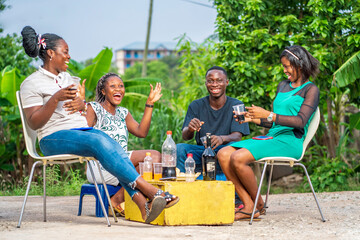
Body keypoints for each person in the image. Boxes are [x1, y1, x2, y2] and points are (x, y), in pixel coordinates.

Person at [19, 26, 178, 224]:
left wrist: (81, 105)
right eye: (65, 52)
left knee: (111, 144)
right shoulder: (31, 83)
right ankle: (151, 192)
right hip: (53, 138)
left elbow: (76, 110)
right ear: (51, 53)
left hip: (80, 132)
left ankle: (142, 204)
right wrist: (55, 98)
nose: (69, 56)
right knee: (98, 140)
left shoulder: (67, 79)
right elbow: (34, 122)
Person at [217, 45, 320, 221]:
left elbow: (301, 121)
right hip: (273, 136)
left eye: (287, 66)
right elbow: (271, 120)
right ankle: (248, 204)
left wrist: (269, 115)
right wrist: (252, 118)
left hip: (290, 141)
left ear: (299, 64)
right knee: (223, 153)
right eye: (284, 66)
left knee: (238, 158)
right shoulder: (283, 86)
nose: (285, 70)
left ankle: (257, 204)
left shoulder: (311, 90)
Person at [83, 73, 164, 216]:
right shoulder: (93, 108)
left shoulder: (123, 113)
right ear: (103, 91)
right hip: (99, 165)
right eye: (112, 86)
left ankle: (115, 201)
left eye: (121, 86)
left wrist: (150, 103)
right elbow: (81, 132)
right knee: (155, 156)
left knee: (149, 163)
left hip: (120, 163)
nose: (118, 89)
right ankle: (133, 199)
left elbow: (141, 132)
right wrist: (80, 103)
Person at [176, 66, 250, 175]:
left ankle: (229, 183)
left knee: (233, 148)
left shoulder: (237, 105)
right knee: (179, 148)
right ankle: (183, 184)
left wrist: (221, 139)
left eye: (219, 81)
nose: (215, 84)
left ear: (227, 82)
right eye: (210, 81)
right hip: (202, 152)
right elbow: (185, 136)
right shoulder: (196, 105)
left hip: (225, 151)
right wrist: (190, 129)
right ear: (206, 83)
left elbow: (237, 136)